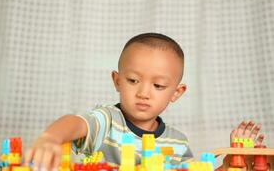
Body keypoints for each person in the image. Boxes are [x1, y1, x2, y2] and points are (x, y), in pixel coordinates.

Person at [25, 33, 264, 171]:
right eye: (132, 80)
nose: (143, 93)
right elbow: (74, 123)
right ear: (117, 81)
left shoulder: (177, 141)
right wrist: (51, 138)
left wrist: (236, 158)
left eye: (158, 85)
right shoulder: (107, 121)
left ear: (176, 93)